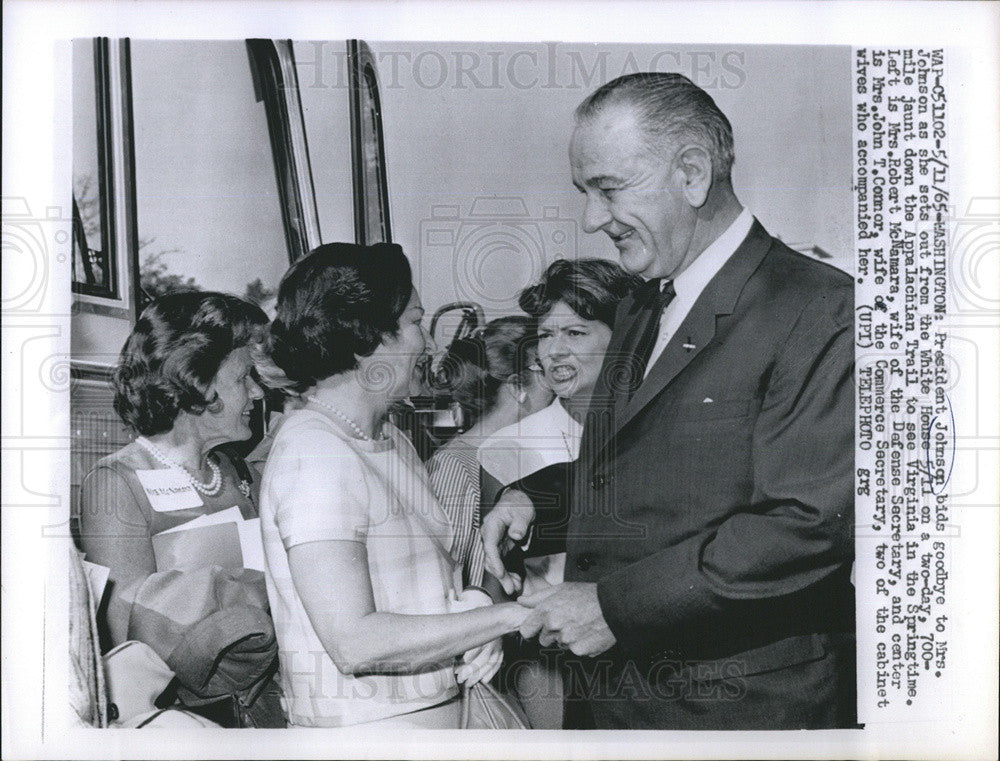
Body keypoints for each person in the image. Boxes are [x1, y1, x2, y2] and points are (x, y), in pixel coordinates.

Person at [483, 72, 856, 730]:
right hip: (617, 706)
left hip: (737, 715)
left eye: (607, 188)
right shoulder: (640, 305)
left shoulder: (818, 309)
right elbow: (647, 477)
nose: (591, 219)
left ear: (692, 173)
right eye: (584, 193)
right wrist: (532, 503)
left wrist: (611, 606)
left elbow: (805, 524)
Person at [255, 242, 531, 728]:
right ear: (365, 338)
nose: (426, 342)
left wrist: (475, 617)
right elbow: (354, 642)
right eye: (414, 322)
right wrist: (511, 617)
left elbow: (418, 594)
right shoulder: (315, 453)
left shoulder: (389, 440)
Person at [78, 291, 284, 727]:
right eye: (244, 377)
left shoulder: (239, 473)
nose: (257, 393)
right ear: (197, 380)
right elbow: (134, 640)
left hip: (269, 713)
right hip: (189, 726)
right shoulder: (117, 483)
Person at [477, 258, 640, 729]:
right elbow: (500, 575)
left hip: (653, 653)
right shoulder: (506, 448)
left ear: (624, 338)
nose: (555, 352)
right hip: (551, 663)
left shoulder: (659, 437)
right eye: (546, 335)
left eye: (576, 333)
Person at [427, 316, 552, 589]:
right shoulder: (453, 467)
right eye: (544, 370)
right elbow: (451, 583)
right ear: (518, 387)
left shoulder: (526, 458)